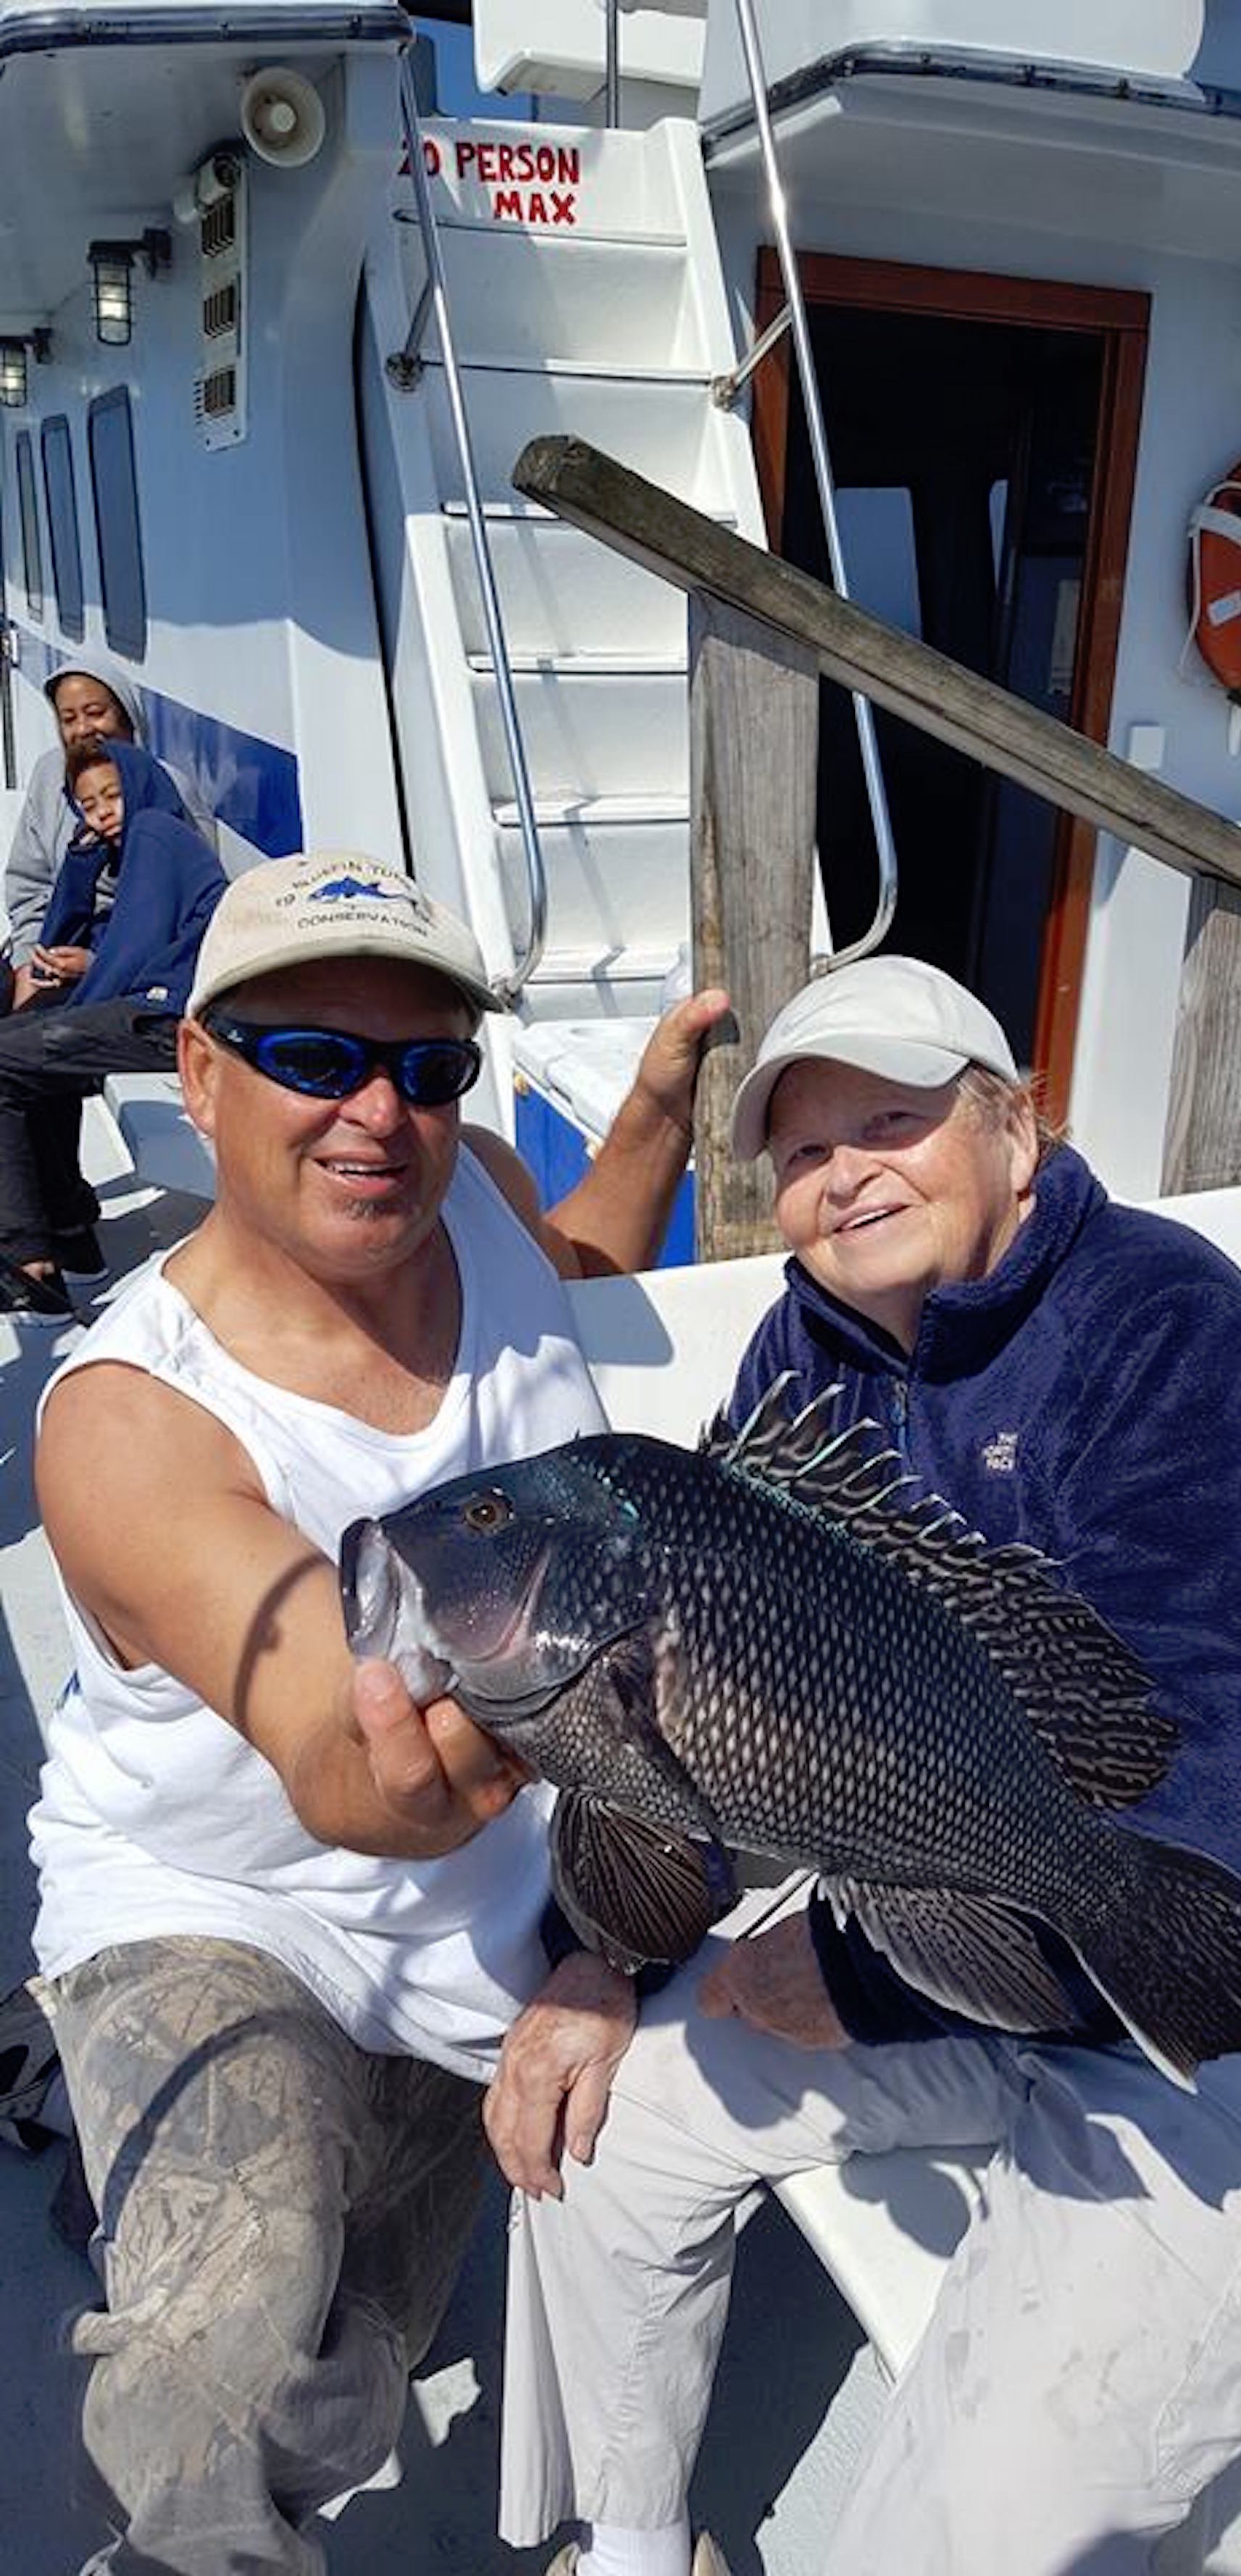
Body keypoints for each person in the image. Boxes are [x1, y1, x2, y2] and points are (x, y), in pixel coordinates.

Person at [493, 953, 1241, 2576]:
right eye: (805, 1149)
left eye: (892, 1121)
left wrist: (865, 1981)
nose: (844, 1173)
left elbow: (1214, 1791)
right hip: (971, 1946)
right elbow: (710, 1709)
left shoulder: (1167, 1328)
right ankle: (634, 2548)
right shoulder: (803, 1359)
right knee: (604, 2127)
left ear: (1017, 1126)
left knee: (957, 2530)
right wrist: (604, 1955)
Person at [28, 850, 725, 2575]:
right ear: (199, 1072)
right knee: (230, 2372)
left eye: (425, 1064)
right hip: (224, 1906)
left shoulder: (467, 1184)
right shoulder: (125, 1422)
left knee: (372, 2352)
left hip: (502, 1907)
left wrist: (652, 1110)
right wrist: (459, 1765)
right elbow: (347, 1770)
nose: (378, 1113)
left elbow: (571, 1264)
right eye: (312, 1057)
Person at [0, 739, 227, 1319]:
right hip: (150, 1005)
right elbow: (61, 937)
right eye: (88, 805)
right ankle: (71, 1237)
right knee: (27, 1043)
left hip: (173, 1017)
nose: (102, 814)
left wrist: (80, 992)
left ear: (141, 785)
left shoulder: (155, 833)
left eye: (112, 795)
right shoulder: (127, 852)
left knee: (12, 1057)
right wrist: (80, 866)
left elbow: (136, 957)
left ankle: (29, 1266)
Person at [4, 657, 212, 1002]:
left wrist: (97, 964)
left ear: (127, 716)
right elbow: (29, 885)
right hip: (52, 949)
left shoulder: (171, 792)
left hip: (118, 976)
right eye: (68, 719)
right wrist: (29, 962)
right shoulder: (49, 775)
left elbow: (186, 918)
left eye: (95, 713)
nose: (83, 728)